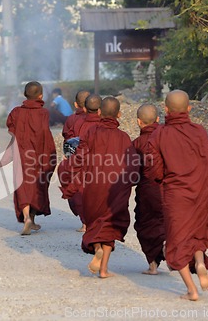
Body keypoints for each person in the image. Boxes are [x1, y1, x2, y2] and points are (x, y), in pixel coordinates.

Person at [145, 90, 208, 301]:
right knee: (197, 230)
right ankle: (200, 262)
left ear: (165, 109)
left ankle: (192, 290)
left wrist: (163, 180)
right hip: (201, 191)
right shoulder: (200, 131)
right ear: (189, 109)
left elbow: (154, 169)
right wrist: (201, 185)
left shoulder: (159, 134)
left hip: (176, 194)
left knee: (177, 241)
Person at [61, 96, 138, 278]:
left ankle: (97, 249)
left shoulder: (90, 133)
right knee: (110, 225)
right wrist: (131, 182)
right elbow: (133, 165)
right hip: (116, 189)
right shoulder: (124, 138)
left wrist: (69, 173)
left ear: (100, 112)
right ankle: (103, 270)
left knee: (95, 223)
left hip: (93, 186)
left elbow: (79, 158)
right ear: (119, 114)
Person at [0, 81, 57, 235]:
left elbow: (11, 129)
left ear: (24, 94)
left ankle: (27, 219)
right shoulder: (44, 113)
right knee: (37, 184)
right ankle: (32, 218)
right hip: (39, 153)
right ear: (41, 95)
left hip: (21, 154)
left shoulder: (16, 112)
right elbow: (44, 132)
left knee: (22, 185)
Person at [59, 92, 101, 233]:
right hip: (99, 164)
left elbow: (68, 140)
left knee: (79, 190)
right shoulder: (104, 122)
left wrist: (69, 158)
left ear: (77, 105)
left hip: (79, 162)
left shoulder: (74, 120)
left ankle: (85, 223)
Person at [132, 104, 166, 275]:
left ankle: (153, 265)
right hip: (171, 189)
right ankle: (168, 246)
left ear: (139, 122)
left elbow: (132, 174)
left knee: (146, 225)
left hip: (147, 191)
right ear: (158, 119)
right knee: (168, 222)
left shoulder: (137, 144)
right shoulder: (169, 138)